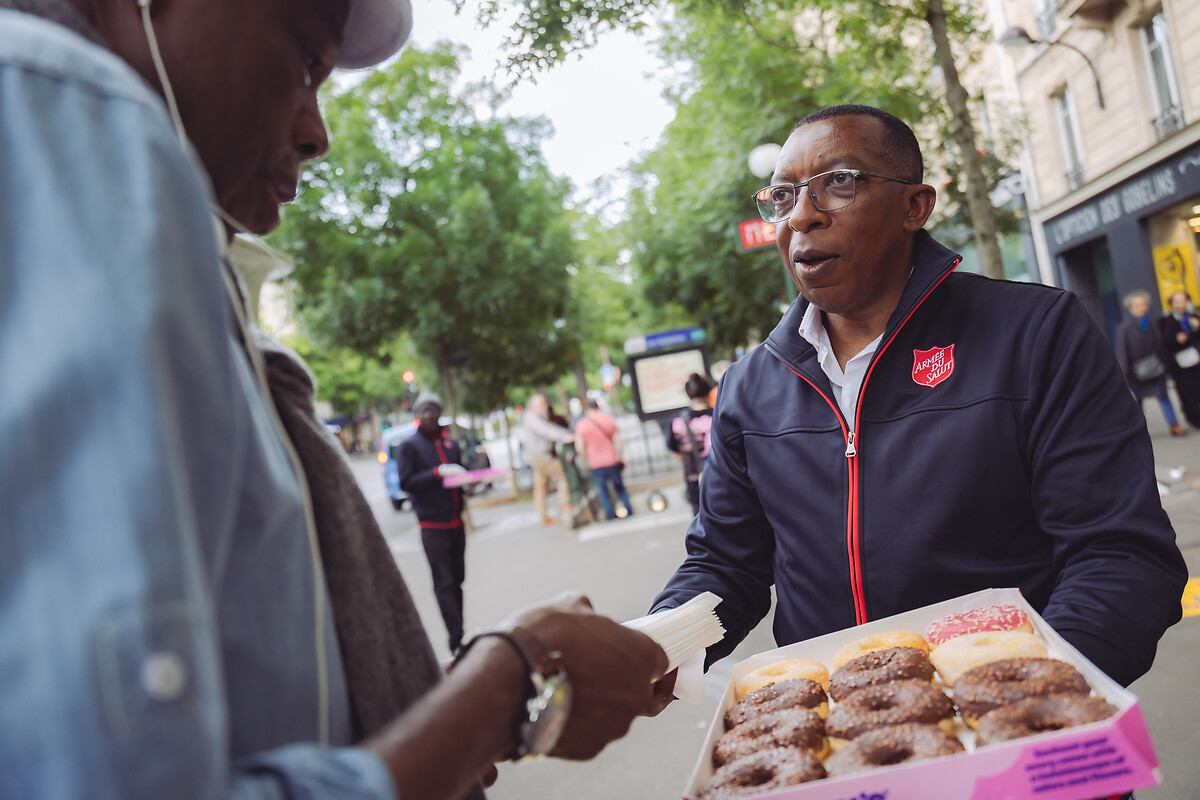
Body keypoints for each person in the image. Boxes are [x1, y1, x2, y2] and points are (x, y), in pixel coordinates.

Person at [0, 2, 668, 798]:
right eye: (308, 61)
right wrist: (502, 685)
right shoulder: (61, 111)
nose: (317, 132)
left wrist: (436, 717)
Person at [650, 106, 1186, 700]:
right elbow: (726, 565)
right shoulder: (750, 386)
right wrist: (656, 645)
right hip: (846, 744)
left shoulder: (1036, 333)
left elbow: (1120, 554)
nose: (801, 214)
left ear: (916, 207)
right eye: (782, 195)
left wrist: (1039, 693)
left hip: (1025, 732)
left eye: (840, 182)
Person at [396, 392, 470, 652]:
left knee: (458, 579)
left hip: (456, 524)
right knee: (444, 583)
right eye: (423, 410)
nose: (429, 415)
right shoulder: (409, 447)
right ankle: (456, 638)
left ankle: (462, 630)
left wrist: (467, 484)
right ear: (416, 414)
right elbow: (407, 483)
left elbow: (459, 476)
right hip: (433, 527)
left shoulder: (451, 445)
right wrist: (436, 473)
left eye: (433, 410)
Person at [1117, 290, 1187, 437]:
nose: (1142, 307)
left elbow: (1161, 346)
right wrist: (1125, 372)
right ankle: (1138, 431)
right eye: (1138, 305)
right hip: (1136, 371)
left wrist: (1164, 365)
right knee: (1137, 403)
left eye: (1144, 304)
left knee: (1164, 397)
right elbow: (1122, 351)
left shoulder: (1152, 324)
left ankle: (1174, 425)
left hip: (1156, 368)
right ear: (1131, 308)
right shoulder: (1124, 328)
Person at [574, 398, 634, 520]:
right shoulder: (608, 419)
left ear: (586, 408)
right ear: (597, 407)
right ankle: (629, 511)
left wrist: (587, 459)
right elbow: (619, 440)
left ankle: (611, 516)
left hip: (595, 463)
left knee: (603, 491)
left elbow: (579, 447)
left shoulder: (582, 424)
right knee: (620, 488)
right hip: (611, 459)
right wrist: (619, 455)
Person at [522, 392, 575, 525]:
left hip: (537, 458)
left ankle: (543, 516)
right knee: (564, 473)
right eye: (543, 404)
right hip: (541, 457)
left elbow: (549, 428)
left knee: (540, 487)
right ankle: (565, 504)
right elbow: (545, 431)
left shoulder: (534, 417)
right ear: (536, 406)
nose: (545, 407)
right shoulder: (532, 418)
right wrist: (564, 436)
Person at [666, 373, 714, 517]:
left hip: (693, 475)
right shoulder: (718, 414)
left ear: (689, 395)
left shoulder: (678, 420)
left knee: (700, 516)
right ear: (708, 392)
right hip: (721, 476)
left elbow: (674, 448)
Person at [1160, 289, 1200, 429]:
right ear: (1172, 303)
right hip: (1177, 362)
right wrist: (1176, 339)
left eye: (1183, 301)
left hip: (1195, 359)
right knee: (1186, 391)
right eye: (1177, 301)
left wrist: (1195, 329)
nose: (1180, 304)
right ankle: (1193, 417)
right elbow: (1162, 341)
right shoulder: (1165, 321)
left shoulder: (1193, 317)